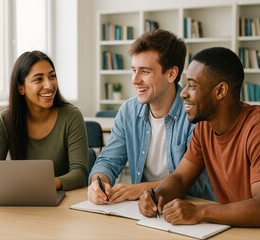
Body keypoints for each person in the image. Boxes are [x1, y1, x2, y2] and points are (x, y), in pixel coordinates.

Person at [87, 29, 215, 204]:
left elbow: (194, 183)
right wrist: (98, 183)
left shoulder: (196, 114)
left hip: (190, 209)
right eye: (133, 70)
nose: (135, 80)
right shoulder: (128, 111)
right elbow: (108, 160)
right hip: (145, 210)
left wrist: (140, 189)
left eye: (145, 72)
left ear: (171, 74)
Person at [138, 47, 260, 227]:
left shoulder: (255, 129)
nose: (183, 93)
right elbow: (180, 178)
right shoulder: (203, 128)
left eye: (192, 86)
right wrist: (157, 195)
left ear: (220, 91)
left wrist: (199, 212)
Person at [0, 50, 88, 191]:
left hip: (61, 199)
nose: (49, 85)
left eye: (52, 76)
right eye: (38, 79)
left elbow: (80, 173)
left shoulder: (71, 116)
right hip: (20, 198)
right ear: (21, 88)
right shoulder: (5, 120)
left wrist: (47, 185)